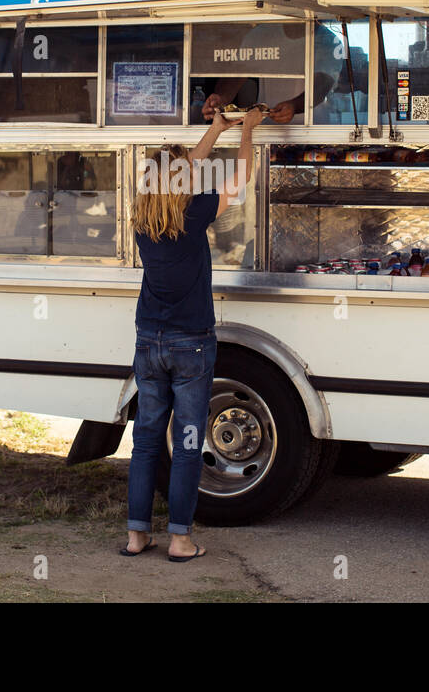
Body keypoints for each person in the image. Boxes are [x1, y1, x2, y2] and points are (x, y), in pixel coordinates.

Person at [122, 106, 263, 561]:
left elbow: (179, 172)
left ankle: (136, 536)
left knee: (145, 441)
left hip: (149, 340)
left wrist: (215, 130)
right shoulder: (195, 211)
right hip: (191, 342)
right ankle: (181, 539)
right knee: (185, 442)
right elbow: (239, 179)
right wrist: (248, 133)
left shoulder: (144, 218)